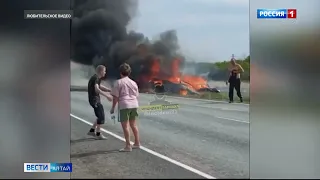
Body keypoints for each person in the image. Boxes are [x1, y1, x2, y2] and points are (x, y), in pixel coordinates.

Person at [110, 63, 141, 152]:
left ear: (120, 72)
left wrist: (113, 108)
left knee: (125, 126)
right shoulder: (134, 83)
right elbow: (136, 95)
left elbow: (115, 97)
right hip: (134, 104)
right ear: (129, 72)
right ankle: (137, 143)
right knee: (133, 125)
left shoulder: (118, 82)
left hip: (124, 105)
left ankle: (128, 146)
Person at [87, 65, 113, 139]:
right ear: (101, 71)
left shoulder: (97, 78)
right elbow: (97, 89)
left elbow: (100, 86)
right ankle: (98, 134)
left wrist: (109, 90)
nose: (105, 73)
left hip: (95, 99)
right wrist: (107, 96)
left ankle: (92, 131)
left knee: (99, 115)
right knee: (101, 116)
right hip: (94, 100)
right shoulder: (95, 78)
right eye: (104, 71)